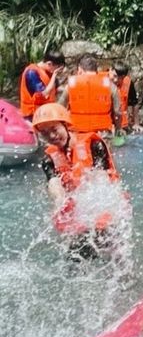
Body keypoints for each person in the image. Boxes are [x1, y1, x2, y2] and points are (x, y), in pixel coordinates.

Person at [31, 102, 124, 259]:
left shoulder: (94, 144)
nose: (52, 136)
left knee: (112, 251)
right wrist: (60, 202)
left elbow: (101, 180)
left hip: (104, 207)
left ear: (65, 124)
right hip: (79, 215)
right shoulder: (48, 159)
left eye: (54, 129)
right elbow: (54, 183)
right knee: (74, 259)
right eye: (46, 134)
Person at [59, 54, 121, 134]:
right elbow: (118, 113)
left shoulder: (71, 84)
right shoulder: (110, 85)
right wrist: (118, 129)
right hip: (102, 133)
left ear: (80, 69)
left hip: (77, 132)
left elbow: (60, 109)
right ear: (96, 70)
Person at [19, 48, 65, 121]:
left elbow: (55, 89)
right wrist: (55, 74)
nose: (58, 71)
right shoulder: (32, 72)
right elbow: (44, 93)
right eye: (57, 69)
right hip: (32, 115)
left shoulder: (49, 72)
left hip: (46, 112)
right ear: (49, 64)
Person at [110, 61, 143, 134]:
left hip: (122, 124)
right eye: (114, 76)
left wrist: (136, 124)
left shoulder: (128, 82)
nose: (116, 80)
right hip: (106, 124)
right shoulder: (101, 81)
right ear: (110, 70)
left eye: (120, 78)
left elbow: (134, 103)